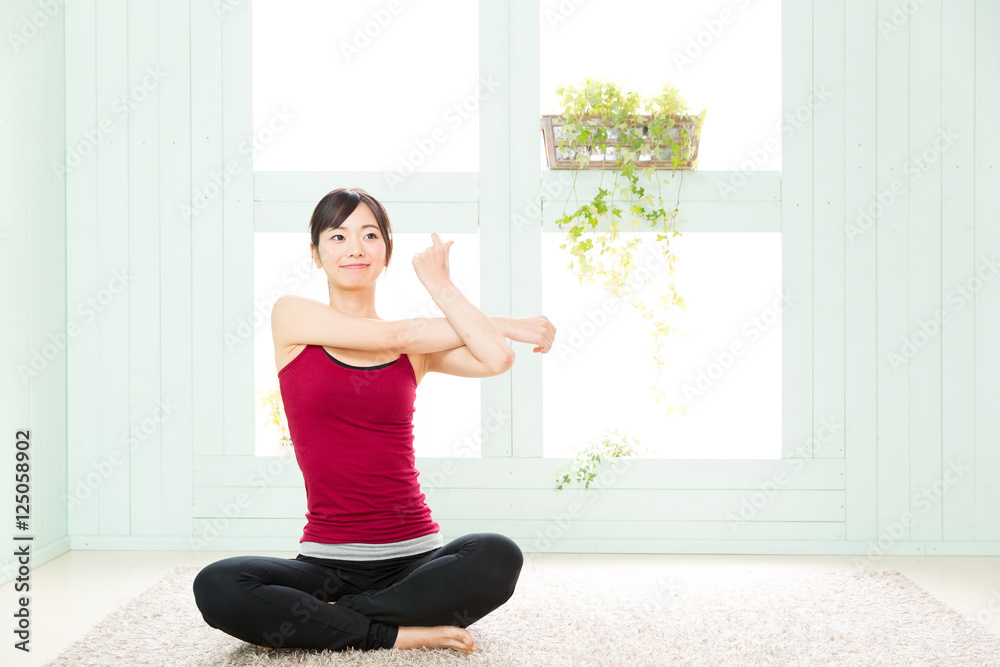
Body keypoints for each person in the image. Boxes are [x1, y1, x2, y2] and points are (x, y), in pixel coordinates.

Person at [192, 187, 556, 654]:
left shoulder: (416, 349)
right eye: (337, 236)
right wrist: (507, 320)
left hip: (417, 560)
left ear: (386, 249)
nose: (355, 248)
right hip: (325, 566)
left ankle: (326, 622)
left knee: (497, 554)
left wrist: (442, 286)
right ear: (315, 253)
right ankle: (391, 631)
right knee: (218, 584)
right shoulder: (292, 317)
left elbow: (497, 358)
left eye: (369, 235)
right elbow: (400, 332)